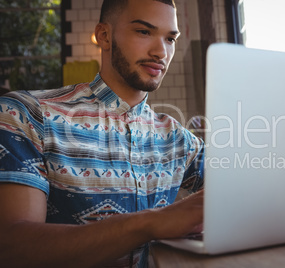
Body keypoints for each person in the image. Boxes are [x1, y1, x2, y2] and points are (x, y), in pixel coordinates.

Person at [0, 0, 204, 267]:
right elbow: (11, 246)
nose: (161, 52)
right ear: (104, 36)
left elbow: (243, 188)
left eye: (170, 38)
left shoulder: (179, 139)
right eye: (144, 32)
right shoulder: (27, 114)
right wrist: (152, 222)